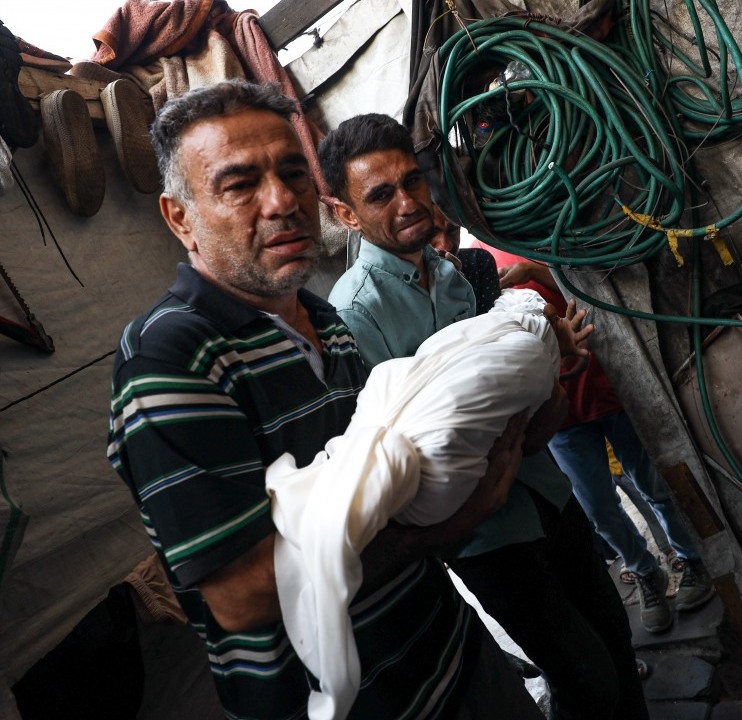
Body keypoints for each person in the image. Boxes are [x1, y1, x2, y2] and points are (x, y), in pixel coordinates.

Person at [106, 81, 543, 720]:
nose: (282, 201)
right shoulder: (169, 358)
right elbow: (243, 598)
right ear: (180, 218)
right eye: (239, 184)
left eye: (292, 173)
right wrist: (449, 524)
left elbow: (388, 472)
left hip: (449, 655)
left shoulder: (322, 317)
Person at [320, 112, 649, 720]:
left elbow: (511, 381)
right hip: (484, 535)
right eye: (381, 194)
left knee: (614, 637)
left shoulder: (452, 275)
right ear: (345, 213)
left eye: (412, 182)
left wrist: (554, 362)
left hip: (549, 492)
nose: (408, 202)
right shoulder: (353, 314)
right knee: (582, 672)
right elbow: (399, 455)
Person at [492, 256, 716, 616]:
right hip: (559, 415)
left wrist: (534, 271)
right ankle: (645, 572)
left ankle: (693, 559)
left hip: (609, 390)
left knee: (655, 486)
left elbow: (586, 293)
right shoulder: (467, 276)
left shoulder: (519, 243)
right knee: (599, 508)